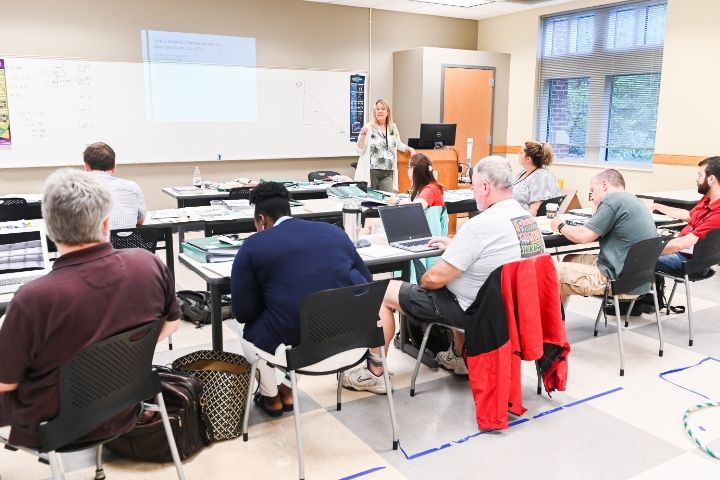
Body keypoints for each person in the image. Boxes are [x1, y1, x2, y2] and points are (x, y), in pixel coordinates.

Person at [0, 168, 179, 449]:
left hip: (56, 425)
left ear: (49, 227)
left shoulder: (32, 299)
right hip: (126, 401)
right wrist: (120, 356)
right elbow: (172, 324)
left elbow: (5, 384)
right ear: (106, 223)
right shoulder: (149, 264)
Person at [342, 156, 545, 393]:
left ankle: (374, 372)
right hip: (513, 310)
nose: (472, 190)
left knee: (383, 291)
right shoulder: (528, 221)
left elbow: (433, 280)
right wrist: (457, 248)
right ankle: (459, 356)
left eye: (473, 185)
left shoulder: (480, 225)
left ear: (486, 187)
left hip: (471, 312)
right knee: (462, 283)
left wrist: (428, 280)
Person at [231, 182, 372, 416]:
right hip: (350, 343)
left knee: (249, 331)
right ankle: (287, 389)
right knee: (307, 317)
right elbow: (366, 282)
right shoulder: (334, 232)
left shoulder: (254, 245)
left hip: (302, 349)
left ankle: (271, 396)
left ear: (262, 220)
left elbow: (243, 312)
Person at [550, 169, 657, 305]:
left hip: (617, 281)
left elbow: (583, 237)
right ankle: (560, 317)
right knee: (569, 259)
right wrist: (596, 203)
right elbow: (591, 227)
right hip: (639, 280)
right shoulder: (633, 200)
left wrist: (559, 226)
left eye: (592, 190)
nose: (592, 196)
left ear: (604, 185)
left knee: (550, 269)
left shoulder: (612, 201)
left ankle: (550, 324)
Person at [652, 156, 720, 277]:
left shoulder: (718, 214)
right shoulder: (708, 199)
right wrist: (657, 206)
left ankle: (646, 295)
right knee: (647, 246)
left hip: (691, 262)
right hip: (685, 252)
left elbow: (681, 244)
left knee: (637, 262)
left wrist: (646, 254)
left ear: (711, 179)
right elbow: (688, 215)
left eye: (699, 175)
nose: (696, 179)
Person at [354, 99, 415, 192]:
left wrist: (410, 149)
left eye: (383, 109)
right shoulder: (368, 127)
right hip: (371, 172)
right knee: (371, 201)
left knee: (388, 200)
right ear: (374, 112)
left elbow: (398, 144)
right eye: (377, 109)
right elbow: (359, 151)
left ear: (387, 112)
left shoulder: (393, 127)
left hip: (387, 172)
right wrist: (362, 137)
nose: (380, 111)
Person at [83, 142, 147, 229]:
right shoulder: (132, 187)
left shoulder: (74, 189)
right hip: (128, 242)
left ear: (86, 167)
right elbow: (140, 221)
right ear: (114, 167)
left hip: (93, 241)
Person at [513, 140, 562, 215]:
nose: (518, 153)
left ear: (528, 159)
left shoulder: (542, 177)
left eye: (522, 152)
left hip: (527, 222)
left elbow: (536, 210)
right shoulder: (523, 173)